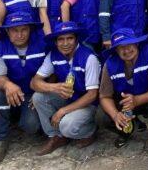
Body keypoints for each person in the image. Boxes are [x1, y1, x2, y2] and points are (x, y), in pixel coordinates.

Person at [0, 11, 46, 166]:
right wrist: (8, 84)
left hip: (32, 94)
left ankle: (19, 118)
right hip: (10, 93)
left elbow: (51, 73)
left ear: (30, 29)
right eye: (14, 30)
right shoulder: (0, 47)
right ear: (7, 31)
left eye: (24, 29)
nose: (20, 35)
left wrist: (40, 94)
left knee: (31, 126)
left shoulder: (42, 44)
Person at [31, 21, 101, 155]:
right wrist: (53, 87)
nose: (65, 43)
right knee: (38, 97)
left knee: (67, 126)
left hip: (87, 104)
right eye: (61, 39)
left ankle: (90, 130)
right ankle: (56, 136)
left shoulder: (89, 57)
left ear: (76, 39)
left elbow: (92, 95)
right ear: (56, 42)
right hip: (68, 98)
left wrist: (62, 111)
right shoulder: (53, 55)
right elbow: (34, 82)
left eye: (70, 38)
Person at [98, 29, 148, 157]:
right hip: (124, 103)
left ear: (136, 44)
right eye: (121, 47)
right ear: (116, 50)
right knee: (101, 116)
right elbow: (104, 96)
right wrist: (115, 115)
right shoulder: (109, 64)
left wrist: (137, 100)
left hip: (147, 98)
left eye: (129, 45)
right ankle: (125, 131)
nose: (126, 50)